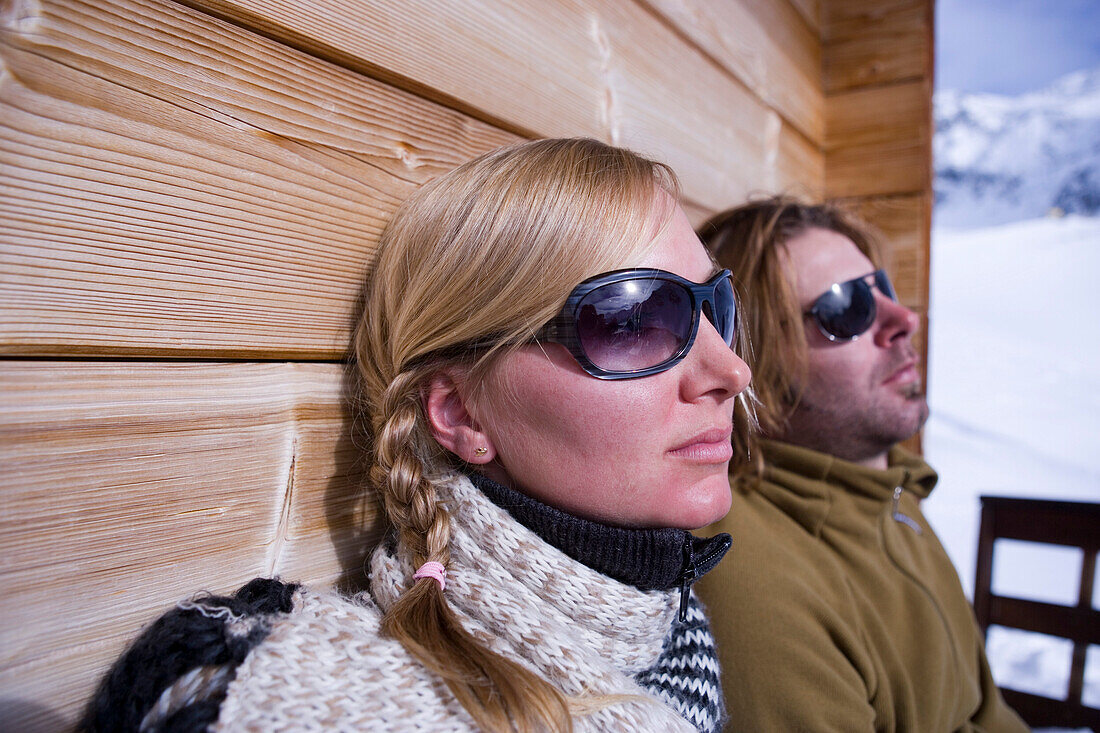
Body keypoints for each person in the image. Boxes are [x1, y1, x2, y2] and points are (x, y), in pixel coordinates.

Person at [81, 138, 752, 733]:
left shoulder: (671, 632)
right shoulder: (283, 690)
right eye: (632, 319)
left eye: (713, 307)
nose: (731, 369)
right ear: (461, 413)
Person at [694, 196, 1028, 732]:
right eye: (846, 307)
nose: (905, 319)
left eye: (884, 291)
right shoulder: (755, 585)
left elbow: (988, 715)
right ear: (753, 362)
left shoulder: (893, 493)